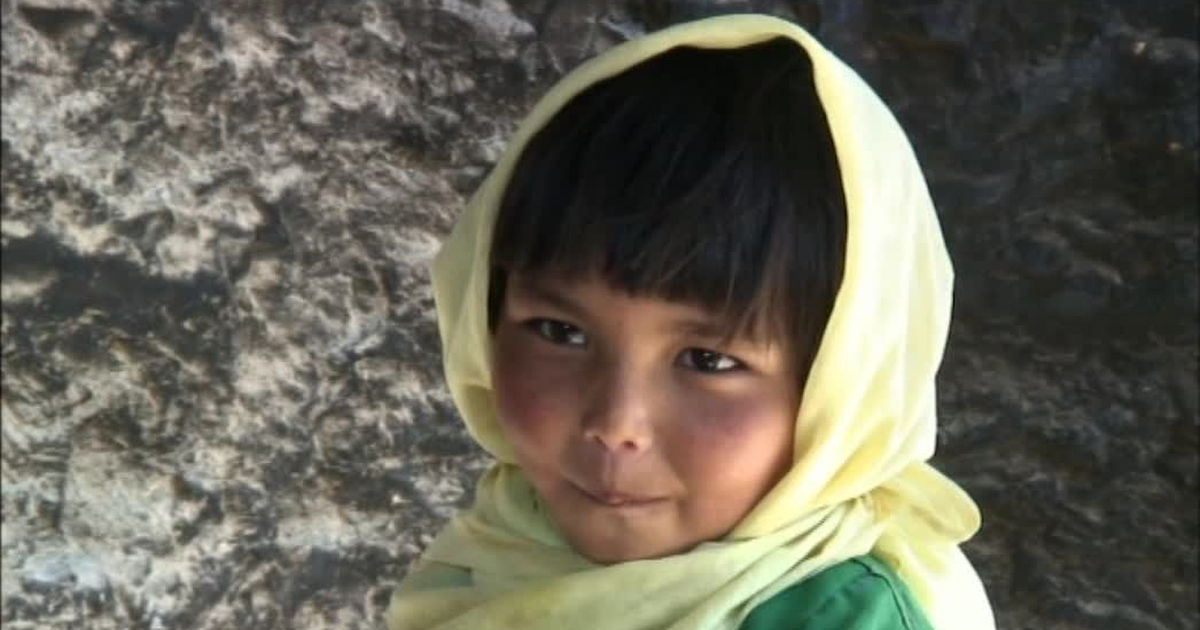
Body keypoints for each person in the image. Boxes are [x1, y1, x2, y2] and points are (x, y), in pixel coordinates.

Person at [386, 13, 995, 630]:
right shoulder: (503, 545)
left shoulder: (841, 620)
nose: (615, 425)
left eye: (709, 361)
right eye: (560, 332)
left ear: (840, 393)